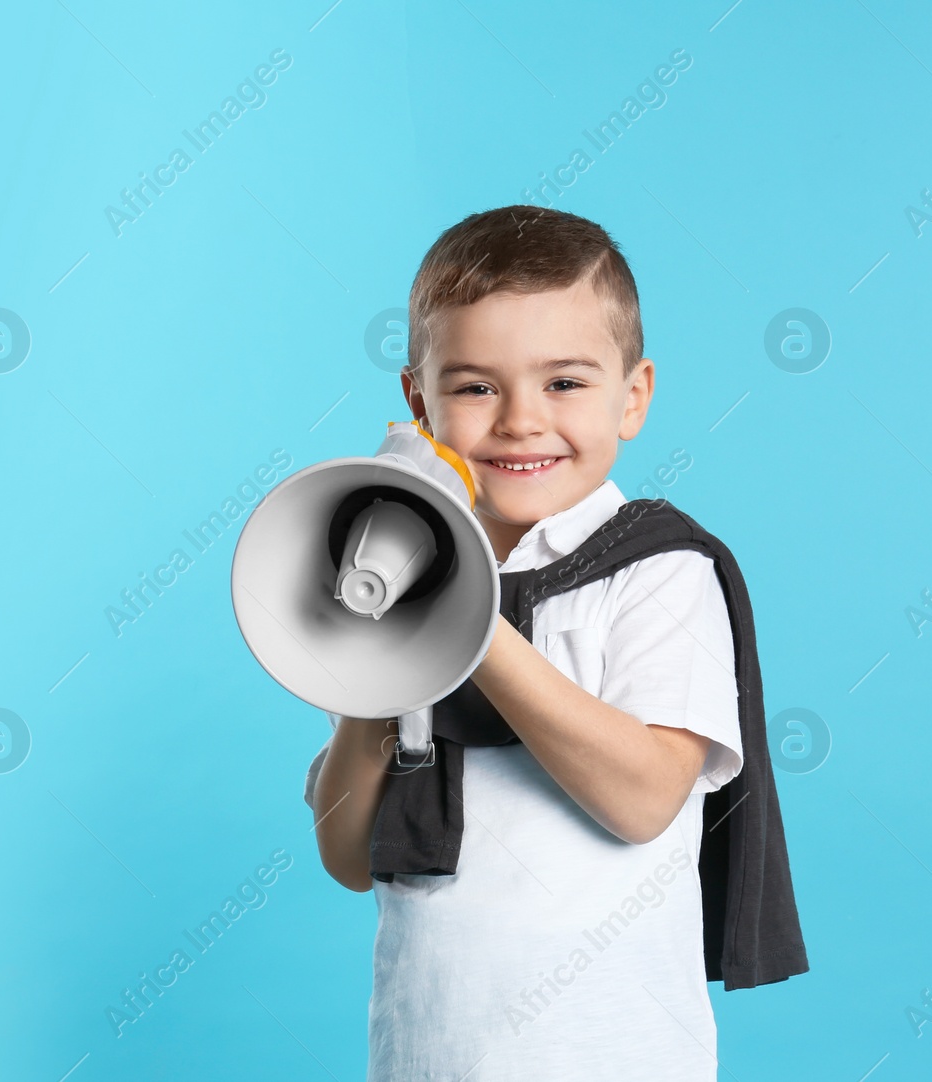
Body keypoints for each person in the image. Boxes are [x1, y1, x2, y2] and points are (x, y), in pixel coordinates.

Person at [305, 205, 799, 1079]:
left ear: (633, 395)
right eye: (475, 387)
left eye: (564, 383)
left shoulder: (657, 570)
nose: (521, 422)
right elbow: (347, 855)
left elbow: (644, 798)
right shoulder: (404, 590)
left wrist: (467, 624)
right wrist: (371, 663)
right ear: (418, 404)